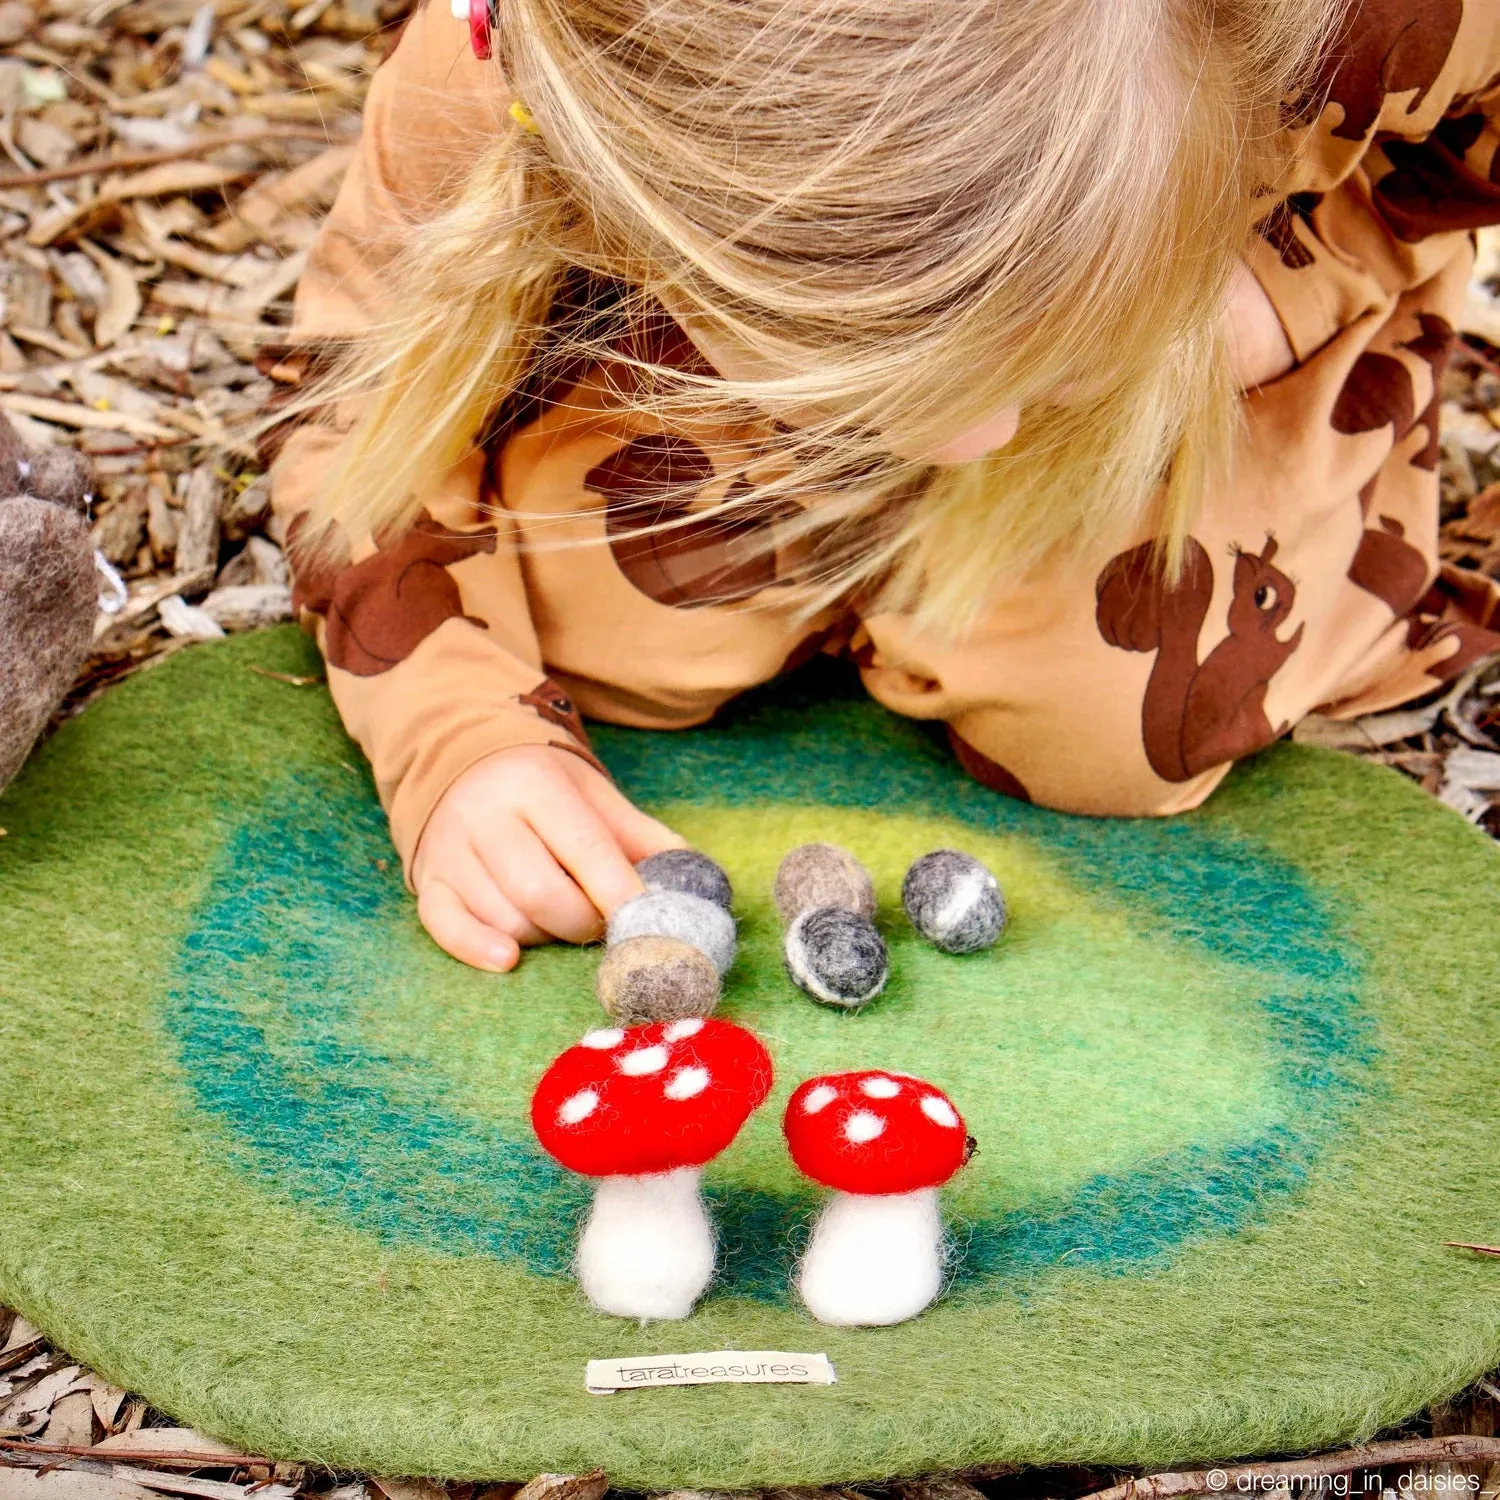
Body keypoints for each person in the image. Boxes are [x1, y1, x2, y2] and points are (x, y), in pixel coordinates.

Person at [265, 0, 1500, 972]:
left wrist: (1295, 282)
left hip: (1237, 261)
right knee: (612, 634)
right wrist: (460, 739)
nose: (985, 440)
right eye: (900, 386)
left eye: (1030, 369)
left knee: (1119, 725)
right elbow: (355, 393)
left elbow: (1467, 156)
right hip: (704, 299)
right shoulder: (509, 69)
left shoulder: (1396, 19)